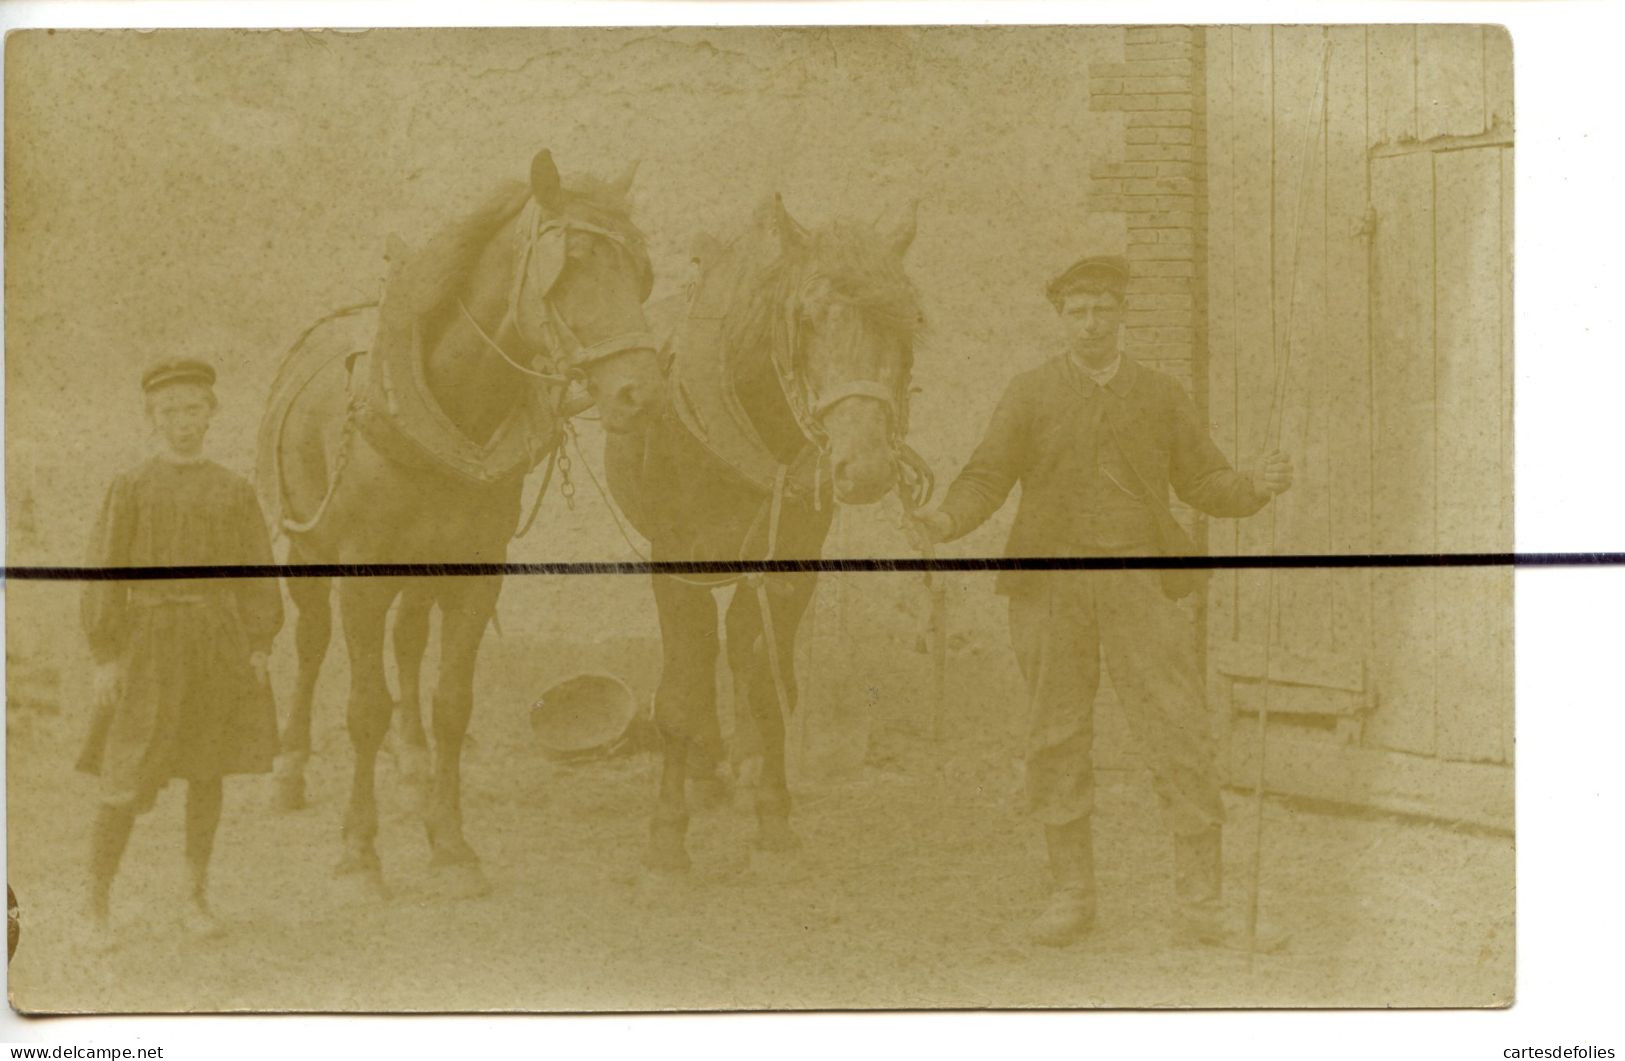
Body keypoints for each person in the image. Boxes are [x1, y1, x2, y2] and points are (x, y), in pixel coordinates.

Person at [916, 254, 1293, 948]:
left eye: (1102, 308)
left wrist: (1253, 484)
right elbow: (986, 474)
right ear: (1061, 318)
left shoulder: (1158, 393)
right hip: (1049, 591)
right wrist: (943, 521)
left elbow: (1205, 477)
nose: (1090, 322)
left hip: (1138, 586)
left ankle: (1201, 903)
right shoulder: (1028, 392)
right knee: (1054, 734)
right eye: (1077, 310)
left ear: (1122, 314)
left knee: (1177, 726)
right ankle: (1070, 895)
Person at [78, 357, 283, 942]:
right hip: (147, 646)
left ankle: (195, 900)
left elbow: (256, 570)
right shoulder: (133, 486)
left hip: (216, 643)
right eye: (170, 411)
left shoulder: (234, 489)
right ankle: (95, 906)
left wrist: (259, 642)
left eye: (194, 408)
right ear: (151, 417)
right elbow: (105, 570)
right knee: (125, 773)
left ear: (212, 414)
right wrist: (106, 655)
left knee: (207, 769)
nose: (183, 421)